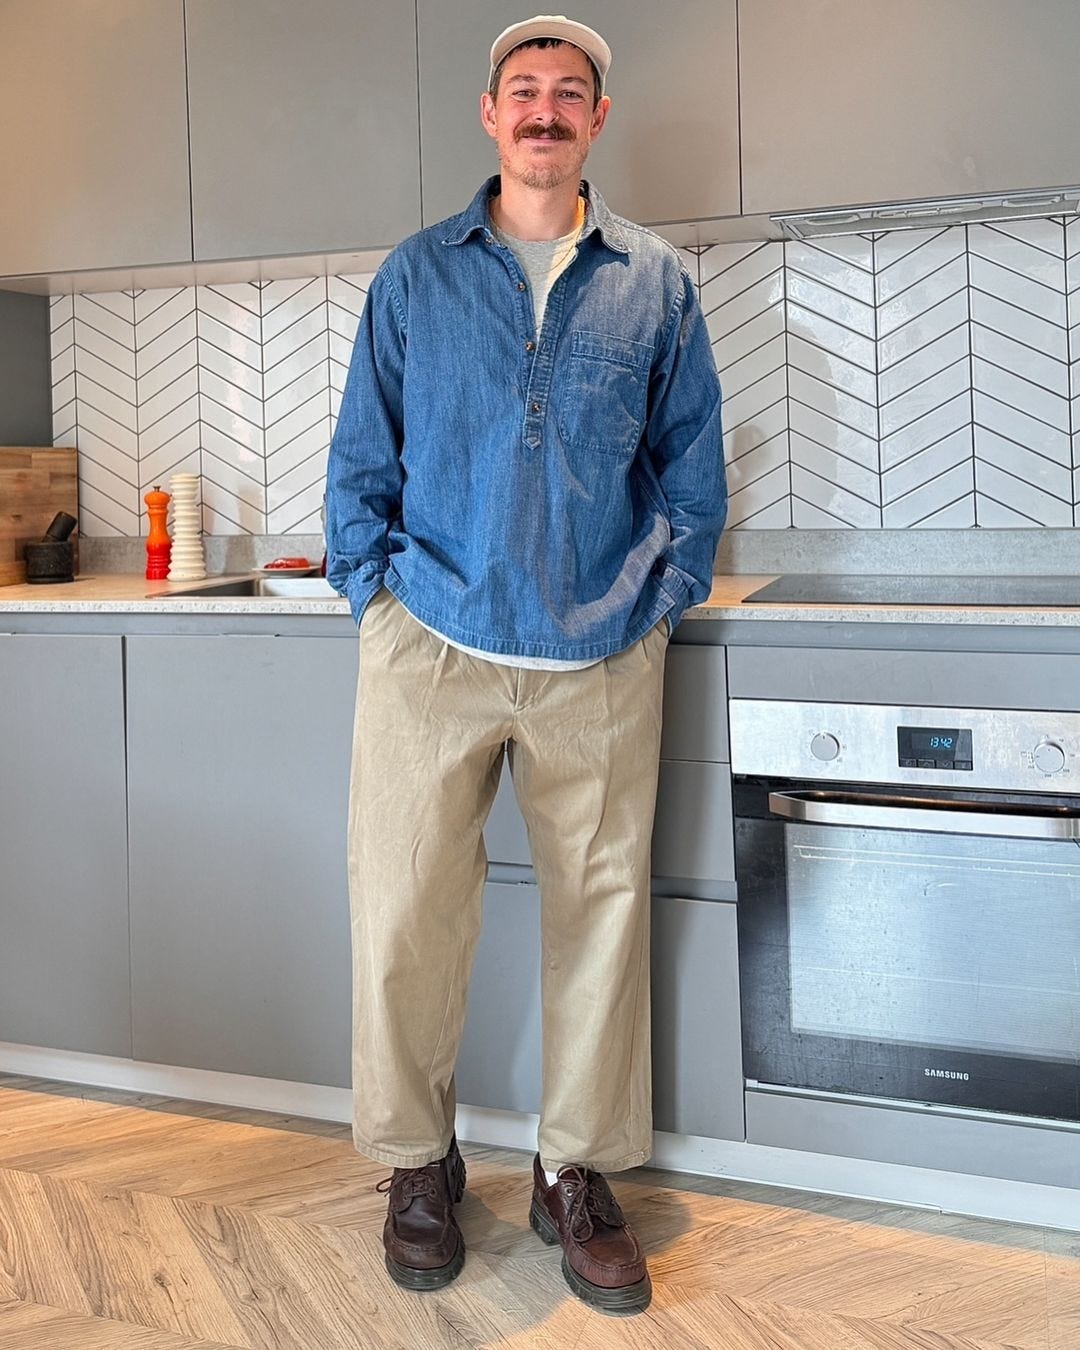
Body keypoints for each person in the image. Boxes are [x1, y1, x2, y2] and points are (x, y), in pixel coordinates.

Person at [325, 13, 726, 1318]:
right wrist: (371, 596)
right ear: (490, 119)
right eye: (524, 92)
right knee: (401, 915)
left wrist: (662, 594)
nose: (545, 110)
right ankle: (417, 1161)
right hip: (430, 644)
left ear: (597, 121)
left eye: (569, 93)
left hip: (603, 652)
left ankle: (576, 1172)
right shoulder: (415, 275)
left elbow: (692, 469)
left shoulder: (656, 280)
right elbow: (359, 466)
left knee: (601, 926)